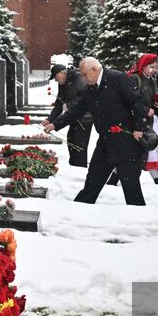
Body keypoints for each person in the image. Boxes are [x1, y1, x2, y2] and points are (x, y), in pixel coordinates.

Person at [44, 57, 148, 205]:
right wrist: (55, 125)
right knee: (93, 182)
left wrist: (139, 127)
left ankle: (140, 219)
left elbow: (137, 102)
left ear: (94, 70)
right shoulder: (88, 89)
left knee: (131, 188)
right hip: (105, 142)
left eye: (85, 75)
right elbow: (75, 111)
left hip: (126, 143)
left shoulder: (118, 79)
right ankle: (78, 210)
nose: (84, 79)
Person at [129, 53, 158, 184]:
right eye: (152, 67)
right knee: (138, 152)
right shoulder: (134, 79)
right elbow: (130, 101)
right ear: (143, 66)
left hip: (148, 121)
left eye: (156, 67)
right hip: (137, 122)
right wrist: (145, 110)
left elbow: (155, 98)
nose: (154, 69)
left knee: (147, 151)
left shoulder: (152, 80)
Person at [48, 63, 92, 167]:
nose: (55, 80)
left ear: (62, 73)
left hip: (85, 116)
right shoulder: (63, 83)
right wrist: (50, 119)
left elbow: (84, 98)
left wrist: (69, 105)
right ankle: (74, 165)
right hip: (74, 115)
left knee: (79, 143)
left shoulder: (78, 77)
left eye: (56, 77)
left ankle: (79, 167)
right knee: (71, 139)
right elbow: (59, 103)